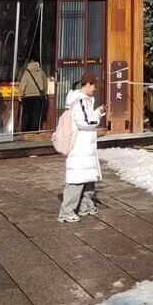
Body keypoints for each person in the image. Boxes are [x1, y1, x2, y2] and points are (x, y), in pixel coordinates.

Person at [57, 73, 106, 223]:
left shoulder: (84, 100)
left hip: (85, 146)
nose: (95, 90)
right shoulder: (80, 101)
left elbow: (86, 118)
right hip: (80, 146)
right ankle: (66, 212)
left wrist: (97, 112)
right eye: (94, 87)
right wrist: (97, 117)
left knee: (87, 178)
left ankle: (86, 206)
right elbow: (85, 122)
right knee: (77, 180)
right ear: (88, 84)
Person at [18, 59, 48, 131]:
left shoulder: (27, 72)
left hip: (28, 96)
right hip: (38, 96)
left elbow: (23, 85)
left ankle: (25, 129)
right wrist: (45, 94)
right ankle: (35, 129)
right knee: (36, 113)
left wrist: (20, 95)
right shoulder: (42, 72)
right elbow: (45, 84)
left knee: (26, 113)